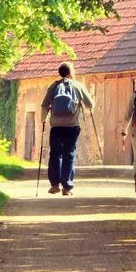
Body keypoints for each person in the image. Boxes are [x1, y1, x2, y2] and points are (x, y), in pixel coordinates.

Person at [41, 62, 94, 196]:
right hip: (72, 126)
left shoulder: (54, 86)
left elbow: (45, 105)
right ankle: (67, 187)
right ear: (70, 72)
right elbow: (90, 104)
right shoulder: (78, 85)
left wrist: (43, 120)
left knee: (55, 154)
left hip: (56, 126)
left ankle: (54, 185)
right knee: (69, 154)